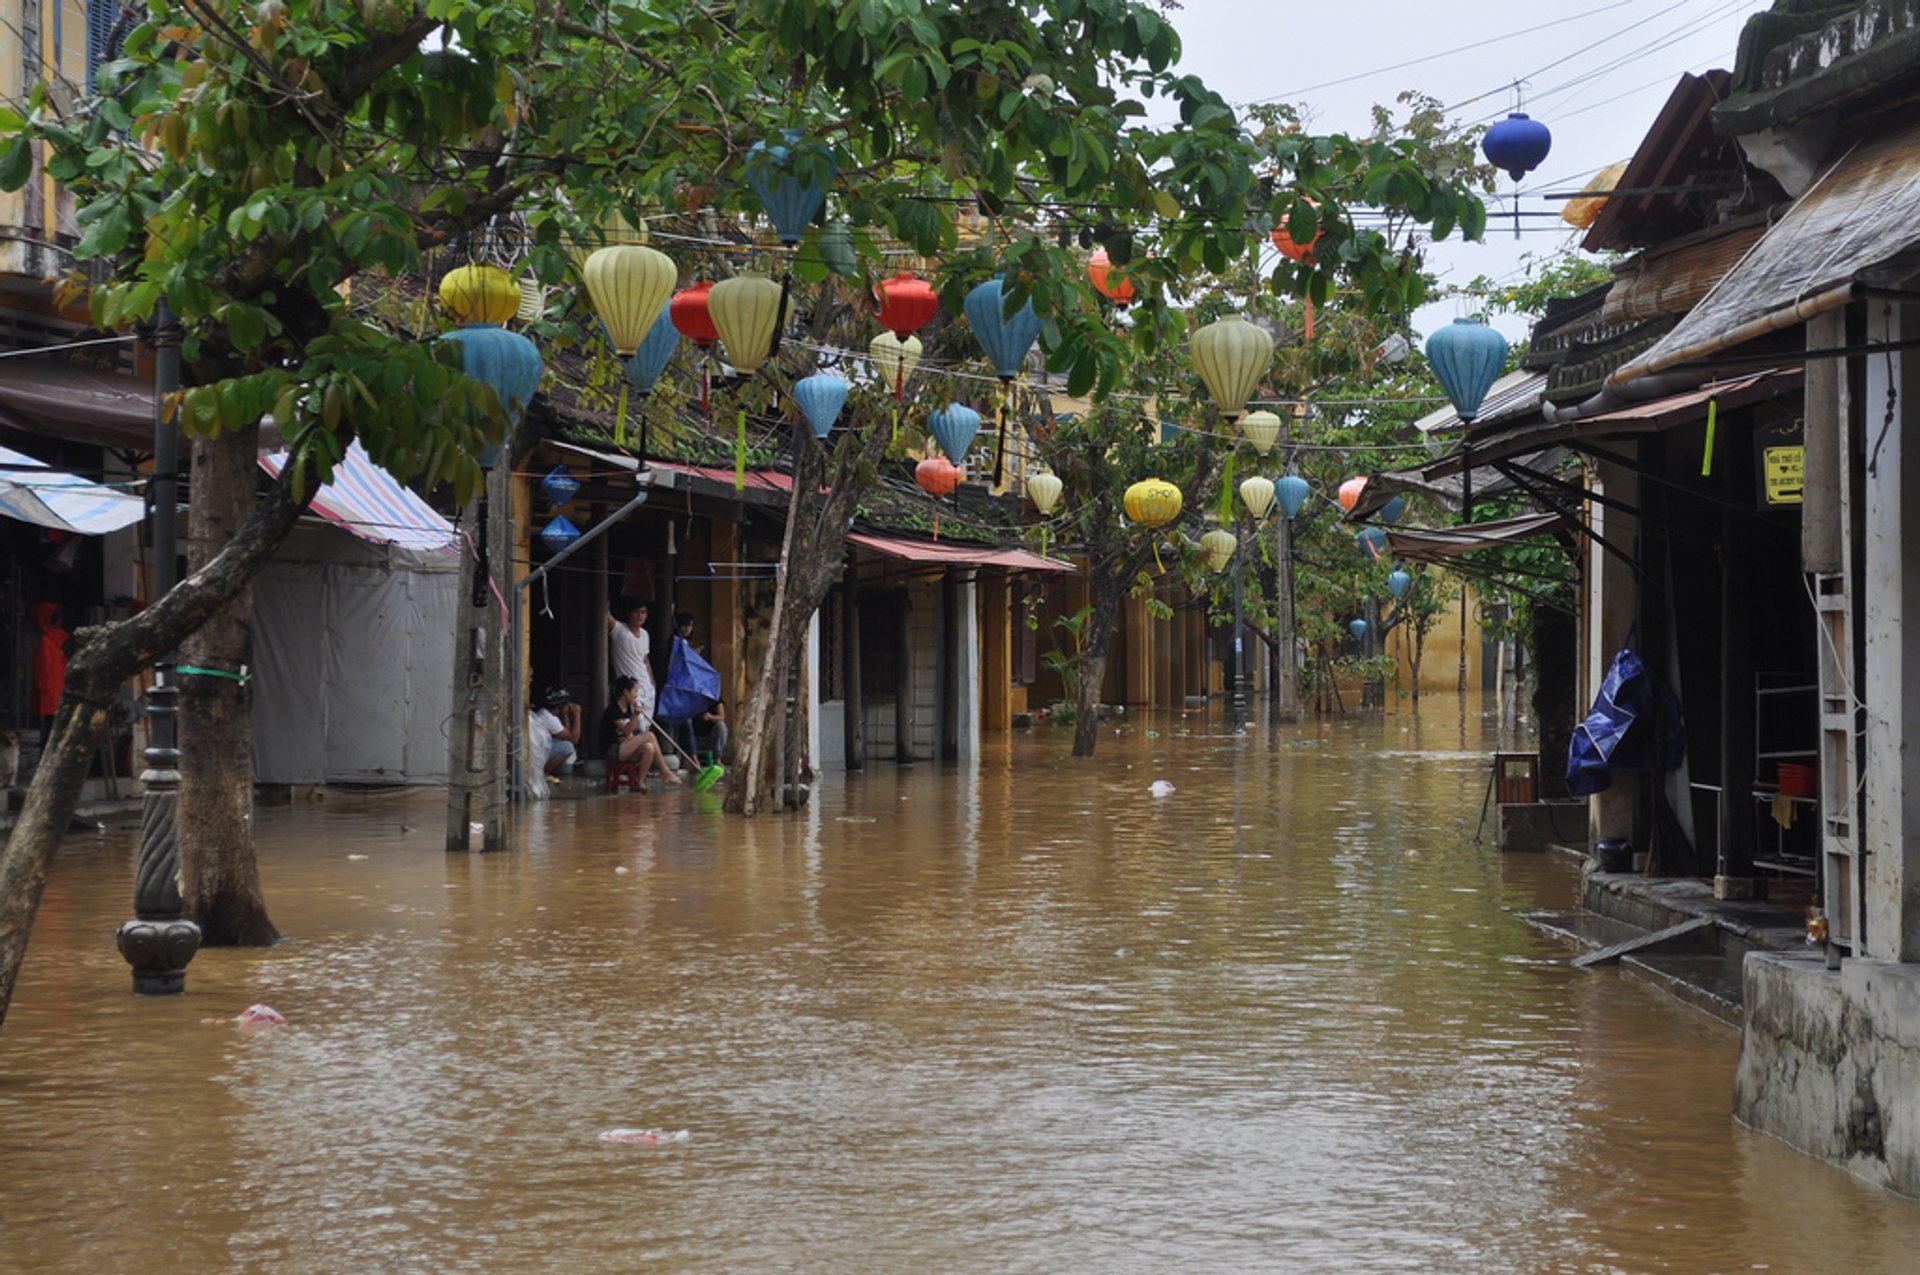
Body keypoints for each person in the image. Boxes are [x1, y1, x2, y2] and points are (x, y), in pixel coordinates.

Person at [598, 675, 680, 790]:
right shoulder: (613, 710)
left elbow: (629, 735)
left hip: (624, 746)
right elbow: (626, 731)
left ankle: (640, 782)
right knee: (649, 735)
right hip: (613, 750)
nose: (636, 695)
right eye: (635, 691)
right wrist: (636, 716)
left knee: (648, 747)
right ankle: (664, 771)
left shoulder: (628, 709)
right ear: (626, 692)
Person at [608, 600, 656, 725]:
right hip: (630, 688)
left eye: (643, 612)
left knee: (646, 725)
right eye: (636, 612)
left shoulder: (645, 634)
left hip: (647, 686)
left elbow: (645, 659)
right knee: (636, 722)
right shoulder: (619, 630)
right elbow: (604, 615)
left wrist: (652, 681)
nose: (640, 616)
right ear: (628, 613)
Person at [530, 685, 583, 777]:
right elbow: (574, 739)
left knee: (564, 742)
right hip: (537, 753)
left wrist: (565, 715)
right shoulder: (550, 719)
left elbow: (566, 733)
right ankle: (542, 773)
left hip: (538, 748)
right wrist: (577, 714)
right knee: (567, 747)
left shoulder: (545, 713)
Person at [32, 603, 67, 738]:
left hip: (53, 701)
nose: (60, 623)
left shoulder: (53, 644)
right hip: (49, 703)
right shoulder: (47, 644)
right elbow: (42, 677)